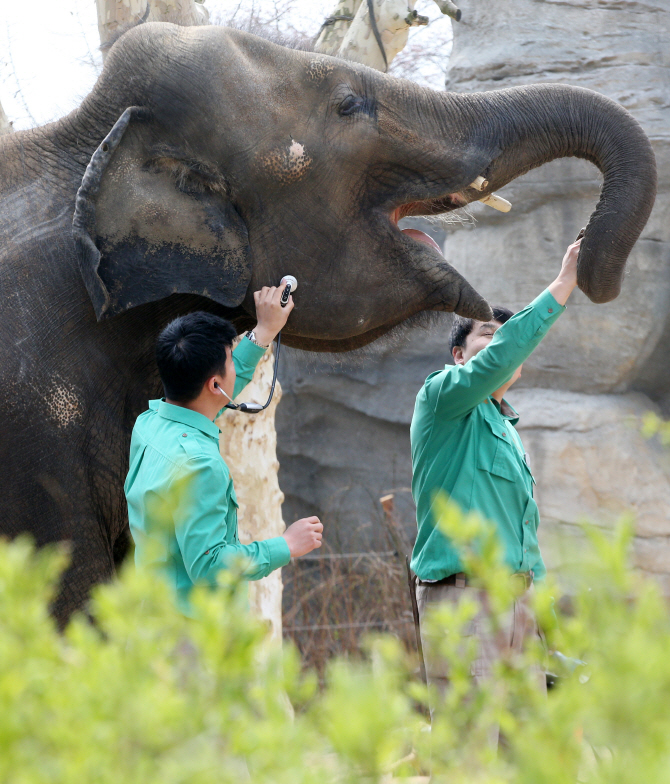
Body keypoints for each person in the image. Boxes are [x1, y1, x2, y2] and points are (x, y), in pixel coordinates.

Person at [410, 238, 582, 718]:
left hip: (517, 606)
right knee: (470, 759)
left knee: (523, 758)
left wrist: (546, 623)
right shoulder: (441, 398)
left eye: (507, 337)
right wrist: (565, 281)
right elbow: (497, 360)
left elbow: (524, 540)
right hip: (464, 602)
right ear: (459, 355)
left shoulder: (506, 430)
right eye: (488, 333)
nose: (500, 342)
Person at [125, 286, 323, 614]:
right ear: (215, 385)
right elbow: (210, 567)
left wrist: (264, 332)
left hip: (152, 623)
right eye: (230, 359)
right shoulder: (201, 466)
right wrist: (285, 545)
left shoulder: (150, 424)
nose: (234, 365)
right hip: (192, 645)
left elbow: (212, 400)